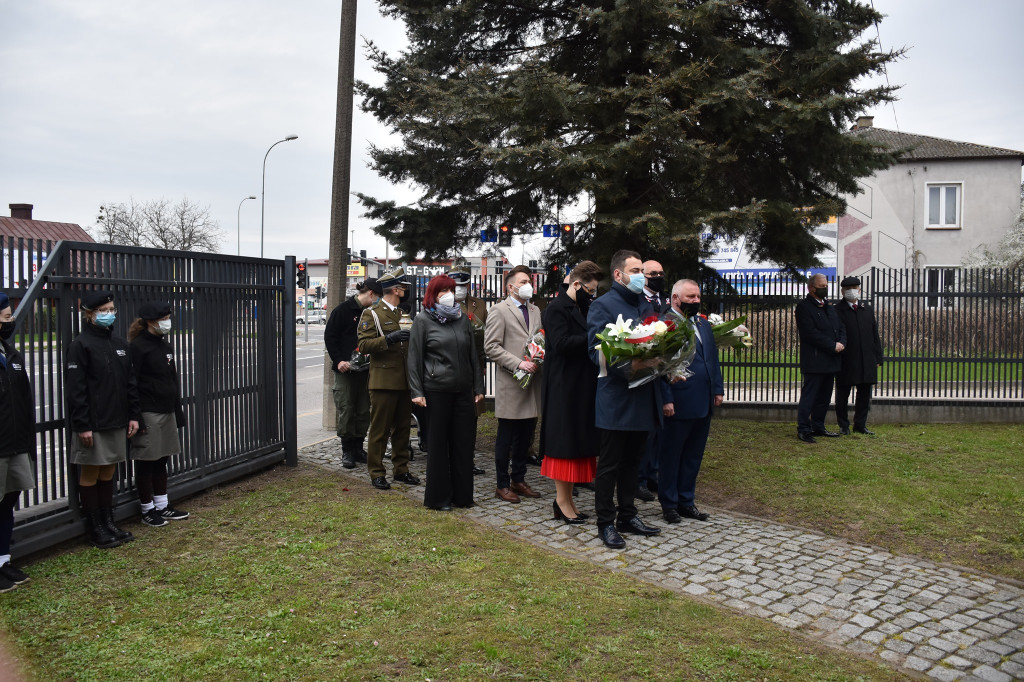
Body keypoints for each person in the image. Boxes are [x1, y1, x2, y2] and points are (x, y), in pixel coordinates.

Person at [586, 250, 662, 549]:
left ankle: (628, 515)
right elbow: (596, 351)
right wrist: (633, 366)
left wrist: (664, 361)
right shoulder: (602, 305)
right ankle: (605, 521)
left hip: (643, 395)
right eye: (636, 269)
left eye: (642, 269)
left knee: (633, 461)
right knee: (609, 464)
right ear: (619, 275)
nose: (642, 274)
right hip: (617, 397)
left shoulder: (645, 303)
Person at [65, 291, 141, 548]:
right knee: (90, 472)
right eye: (104, 310)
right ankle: (95, 527)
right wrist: (83, 425)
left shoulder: (119, 344)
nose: (110, 313)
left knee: (108, 471)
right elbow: (76, 390)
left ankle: (109, 522)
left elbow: (130, 383)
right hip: (94, 422)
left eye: (112, 309)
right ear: (90, 314)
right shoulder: (81, 345)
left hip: (117, 420)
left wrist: (133, 416)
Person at [408, 275, 485, 510]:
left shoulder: (462, 319)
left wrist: (478, 387)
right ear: (433, 294)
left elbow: (473, 354)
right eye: (443, 291)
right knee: (439, 445)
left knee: (463, 444)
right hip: (436, 390)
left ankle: (463, 496)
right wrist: (416, 391)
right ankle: (438, 498)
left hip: (463, 390)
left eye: (451, 290)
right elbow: (414, 358)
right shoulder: (422, 320)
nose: (449, 295)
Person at [539, 260, 603, 523]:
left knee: (577, 442)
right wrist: (596, 338)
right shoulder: (556, 308)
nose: (592, 295)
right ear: (576, 284)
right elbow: (561, 343)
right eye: (589, 290)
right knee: (563, 444)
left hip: (583, 385)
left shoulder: (583, 307)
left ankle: (569, 500)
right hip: (563, 386)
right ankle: (561, 501)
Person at [658, 280, 724, 523]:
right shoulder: (664, 324)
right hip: (678, 401)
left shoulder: (702, 324)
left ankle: (687, 501)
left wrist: (717, 389)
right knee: (671, 456)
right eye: (690, 297)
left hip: (703, 401)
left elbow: (712, 359)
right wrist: (666, 398)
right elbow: (659, 365)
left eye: (697, 296)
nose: (696, 301)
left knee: (693, 456)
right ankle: (669, 504)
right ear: (676, 298)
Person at [127, 302, 189, 527]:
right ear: (152, 321)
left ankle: (162, 505)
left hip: (166, 409)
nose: (168, 322)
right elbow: (131, 382)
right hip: (148, 411)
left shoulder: (165, 346)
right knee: (147, 460)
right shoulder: (138, 347)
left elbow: (172, 380)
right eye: (164, 318)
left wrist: (177, 410)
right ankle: (147, 508)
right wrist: (136, 415)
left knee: (163, 458)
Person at [484, 265, 543, 503]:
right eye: (523, 281)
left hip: (532, 383)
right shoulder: (499, 310)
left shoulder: (536, 309)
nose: (528, 284)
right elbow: (491, 346)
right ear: (510, 287)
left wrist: (538, 356)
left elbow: (538, 338)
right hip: (511, 382)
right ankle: (502, 484)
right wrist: (518, 364)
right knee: (506, 437)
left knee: (526, 435)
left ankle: (519, 478)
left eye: (529, 280)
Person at [357, 268, 420, 490]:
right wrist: (389, 339)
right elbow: (364, 345)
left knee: (403, 428)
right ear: (396, 289)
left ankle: (401, 470)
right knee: (380, 430)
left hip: (404, 381)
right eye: (404, 287)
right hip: (383, 381)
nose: (406, 291)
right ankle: (376, 472)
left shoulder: (401, 314)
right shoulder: (372, 313)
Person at [325, 278, 382, 468]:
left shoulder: (371, 314)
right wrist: (339, 360)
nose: (376, 301)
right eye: (376, 297)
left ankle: (358, 448)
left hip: (364, 371)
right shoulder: (343, 310)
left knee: (363, 410)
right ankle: (347, 451)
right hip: (346, 371)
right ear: (371, 293)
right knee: (347, 409)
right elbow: (330, 336)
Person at [0, 294, 36, 590]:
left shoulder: (10, 355)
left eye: (10, 317)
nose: (9, 322)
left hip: (14, 443)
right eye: (5, 317)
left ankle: (3, 560)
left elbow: (23, 400)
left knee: (7, 502)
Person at [795, 273, 846, 443]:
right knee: (810, 396)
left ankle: (818, 426)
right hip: (815, 360)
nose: (825, 288)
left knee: (824, 397)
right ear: (811, 288)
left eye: (826, 285)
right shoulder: (804, 307)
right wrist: (832, 345)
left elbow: (840, 327)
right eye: (822, 286)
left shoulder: (829, 307)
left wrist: (841, 342)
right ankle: (803, 428)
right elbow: (810, 333)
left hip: (831, 360)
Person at [636, 259, 670, 501]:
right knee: (645, 430)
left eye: (661, 272)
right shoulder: (637, 300)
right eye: (653, 273)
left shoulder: (664, 300)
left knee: (659, 430)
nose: (658, 276)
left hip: (663, 367)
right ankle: (637, 478)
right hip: (644, 369)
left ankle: (652, 474)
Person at [449, 262, 487, 475]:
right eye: (457, 285)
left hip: (474, 366)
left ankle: (468, 458)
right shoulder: (444, 303)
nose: (460, 288)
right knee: (452, 414)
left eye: (464, 284)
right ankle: (451, 457)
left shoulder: (478, 304)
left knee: (471, 415)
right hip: (451, 366)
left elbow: (486, 332)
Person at [834, 276, 883, 435]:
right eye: (848, 289)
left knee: (864, 393)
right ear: (842, 291)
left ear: (859, 289)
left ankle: (860, 425)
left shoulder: (866, 309)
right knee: (843, 393)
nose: (851, 291)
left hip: (867, 358)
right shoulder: (837, 310)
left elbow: (874, 334)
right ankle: (843, 425)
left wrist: (878, 356)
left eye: (854, 287)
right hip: (846, 358)